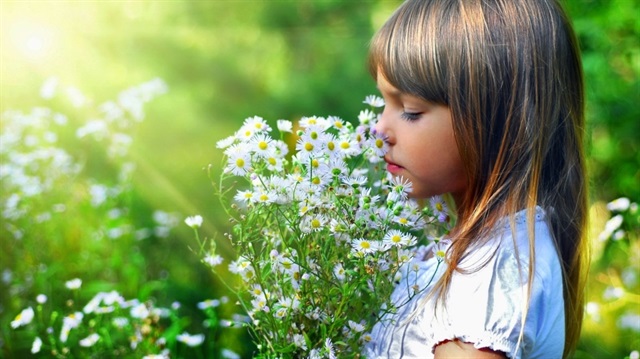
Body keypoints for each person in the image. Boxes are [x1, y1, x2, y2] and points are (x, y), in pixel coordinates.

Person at [364, 0, 589, 358]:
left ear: (496, 121)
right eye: (384, 102)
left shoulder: (493, 272)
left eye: (410, 111)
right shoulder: (478, 252)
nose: (379, 129)